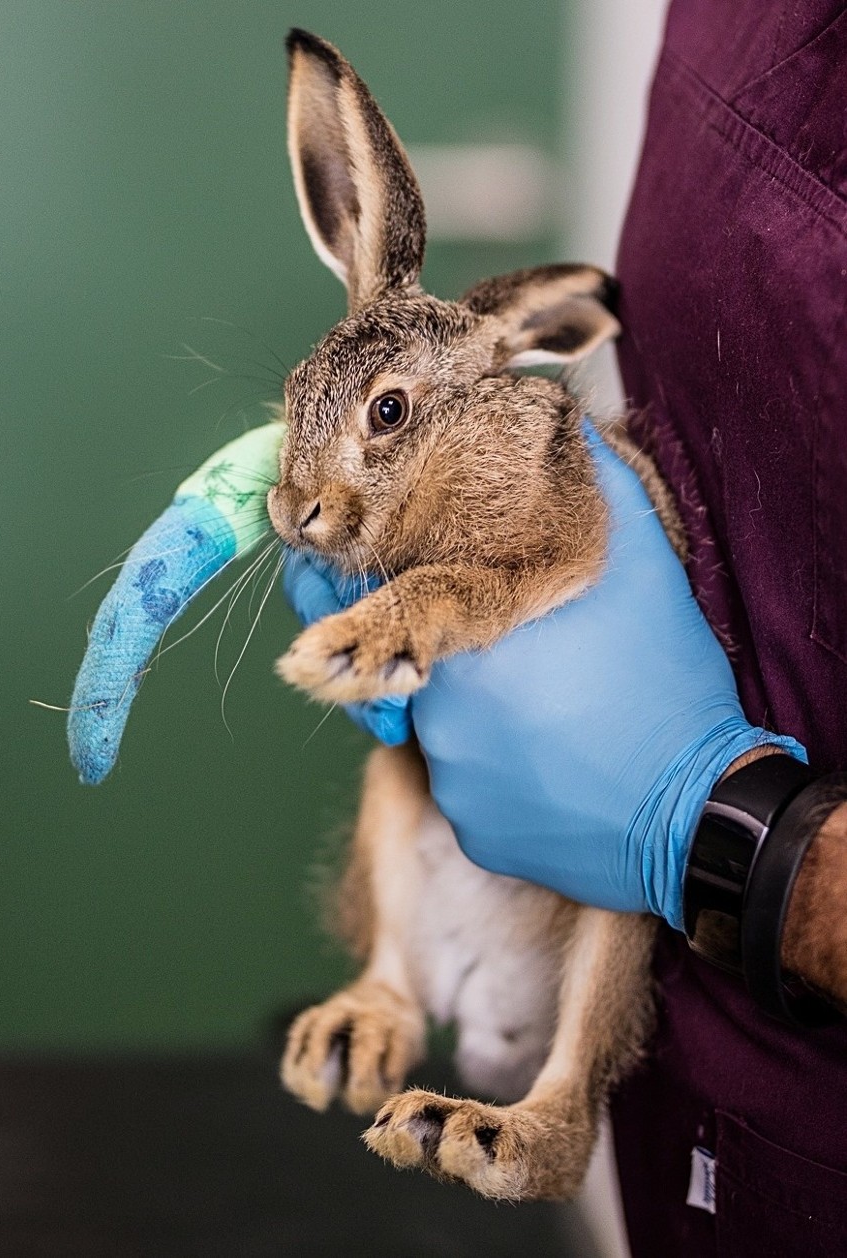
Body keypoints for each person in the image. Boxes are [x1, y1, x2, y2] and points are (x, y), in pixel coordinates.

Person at [284, 1, 847, 1250]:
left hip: (796, 1063)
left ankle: (554, 1108)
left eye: (384, 417)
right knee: (404, 764)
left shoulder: (499, 433)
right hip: (706, 1116)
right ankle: (393, 978)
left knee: (606, 890)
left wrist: (753, 849)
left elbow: (557, 543)